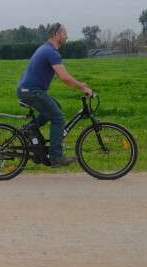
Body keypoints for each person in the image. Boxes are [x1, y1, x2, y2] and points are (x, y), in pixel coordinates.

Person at [16, 23, 93, 167]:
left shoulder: (47, 49)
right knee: (58, 118)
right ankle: (56, 157)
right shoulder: (50, 52)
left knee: (56, 107)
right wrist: (82, 87)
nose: (67, 36)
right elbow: (64, 77)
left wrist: (76, 84)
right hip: (31, 91)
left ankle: (30, 129)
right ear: (56, 34)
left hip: (29, 90)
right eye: (64, 33)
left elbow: (62, 76)